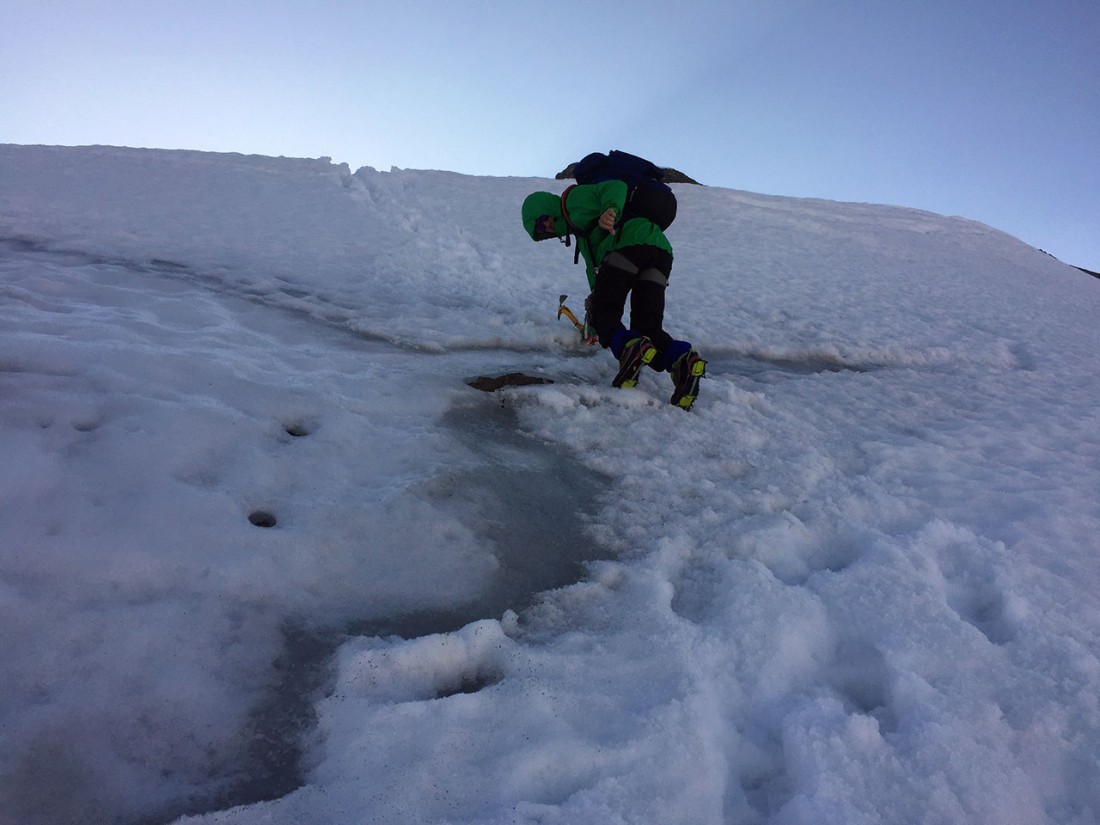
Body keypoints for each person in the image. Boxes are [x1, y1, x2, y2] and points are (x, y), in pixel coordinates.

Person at [521, 180, 706, 410]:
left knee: (606, 313)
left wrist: (611, 210)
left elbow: (616, 187)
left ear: (546, 206)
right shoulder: (582, 233)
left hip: (628, 244)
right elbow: (596, 274)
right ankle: (684, 361)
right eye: (541, 230)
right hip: (660, 252)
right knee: (648, 327)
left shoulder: (572, 201)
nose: (547, 227)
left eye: (542, 220)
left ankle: (631, 350)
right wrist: (595, 303)